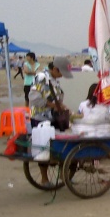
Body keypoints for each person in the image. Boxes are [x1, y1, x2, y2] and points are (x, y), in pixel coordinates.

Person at [28, 56, 74, 185]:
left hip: (53, 118)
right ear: (54, 69)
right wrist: (54, 105)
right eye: (61, 72)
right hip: (40, 118)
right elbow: (34, 98)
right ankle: (44, 179)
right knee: (43, 149)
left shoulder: (54, 80)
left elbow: (55, 98)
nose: (62, 76)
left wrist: (62, 107)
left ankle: (63, 175)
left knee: (58, 147)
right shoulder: (42, 77)